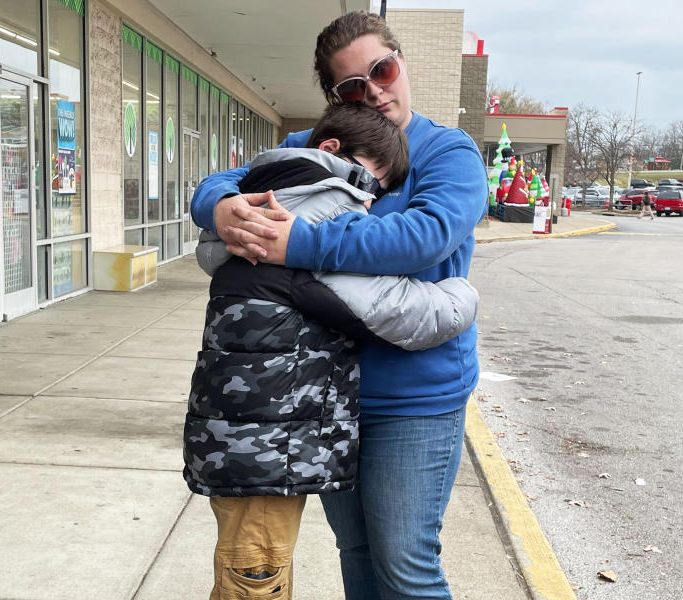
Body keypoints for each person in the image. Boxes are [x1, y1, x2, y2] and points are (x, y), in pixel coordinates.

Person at [190, 11, 488, 599]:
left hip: (415, 398)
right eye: (352, 85)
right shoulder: (315, 147)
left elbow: (422, 237)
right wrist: (223, 209)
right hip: (330, 393)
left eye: (382, 69)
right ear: (334, 97)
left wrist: (294, 241)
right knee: (355, 552)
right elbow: (216, 183)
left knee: (406, 565)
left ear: (401, 62)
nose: (373, 91)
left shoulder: (448, 151)